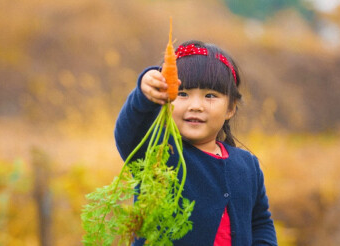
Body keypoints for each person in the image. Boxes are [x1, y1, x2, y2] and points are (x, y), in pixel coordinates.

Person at [114, 40, 277, 245]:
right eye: (182, 94)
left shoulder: (247, 165)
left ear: (230, 108)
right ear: (166, 100)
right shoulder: (160, 153)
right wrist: (145, 96)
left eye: (210, 95)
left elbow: (260, 222)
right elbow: (129, 133)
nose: (196, 106)